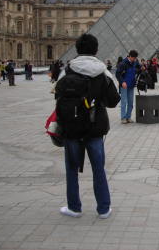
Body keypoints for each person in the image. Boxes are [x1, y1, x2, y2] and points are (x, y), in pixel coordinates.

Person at [55, 34, 120, 219]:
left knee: (71, 169)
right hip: (95, 128)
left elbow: (58, 96)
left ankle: (74, 207)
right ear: (96, 50)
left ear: (77, 49)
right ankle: (103, 208)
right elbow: (114, 101)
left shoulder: (67, 70)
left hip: (72, 128)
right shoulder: (103, 71)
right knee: (99, 168)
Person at [116, 50, 140, 124]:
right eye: (134, 58)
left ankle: (128, 117)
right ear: (130, 56)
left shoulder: (135, 62)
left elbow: (138, 68)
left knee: (130, 102)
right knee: (124, 102)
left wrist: (141, 69)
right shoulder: (123, 63)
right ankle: (123, 118)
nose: (135, 60)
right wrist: (122, 82)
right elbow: (117, 74)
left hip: (131, 85)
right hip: (124, 85)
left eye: (135, 58)